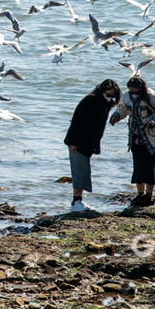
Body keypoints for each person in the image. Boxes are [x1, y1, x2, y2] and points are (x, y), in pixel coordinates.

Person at [110, 77, 155, 207]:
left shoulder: (151, 96)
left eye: (135, 91)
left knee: (148, 165)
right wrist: (116, 116)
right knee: (137, 165)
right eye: (131, 91)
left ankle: (149, 196)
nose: (133, 94)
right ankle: (140, 194)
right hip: (135, 136)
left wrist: (152, 121)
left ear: (141, 88)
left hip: (151, 136)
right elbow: (122, 109)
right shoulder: (127, 96)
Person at [63, 79, 121, 212]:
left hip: (88, 141)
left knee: (84, 171)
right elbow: (77, 121)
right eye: (108, 94)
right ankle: (76, 202)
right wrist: (74, 142)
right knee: (79, 171)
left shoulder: (105, 103)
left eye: (113, 96)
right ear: (102, 91)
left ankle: (79, 201)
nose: (110, 98)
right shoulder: (90, 100)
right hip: (77, 141)